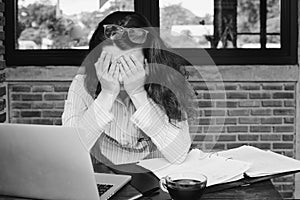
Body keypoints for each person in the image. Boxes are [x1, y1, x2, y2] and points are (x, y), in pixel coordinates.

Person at [62, 11, 195, 165]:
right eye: (112, 63)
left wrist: (138, 93)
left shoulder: (168, 82)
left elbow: (178, 155)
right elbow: (70, 152)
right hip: (105, 177)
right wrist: (107, 94)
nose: (121, 74)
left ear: (148, 61)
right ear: (98, 62)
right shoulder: (81, 84)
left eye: (130, 64)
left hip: (158, 179)